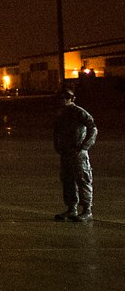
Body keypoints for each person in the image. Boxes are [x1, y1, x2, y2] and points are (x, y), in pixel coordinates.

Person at [53, 86, 98, 222]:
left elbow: (93, 128)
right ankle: (71, 208)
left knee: (83, 179)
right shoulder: (61, 114)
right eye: (61, 98)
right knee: (68, 180)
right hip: (66, 152)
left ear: (72, 99)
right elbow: (57, 132)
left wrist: (84, 146)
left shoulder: (79, 112)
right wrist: (58, 146)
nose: (63, 101)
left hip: (78, 153)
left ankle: (87, 210)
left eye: (66, 98)